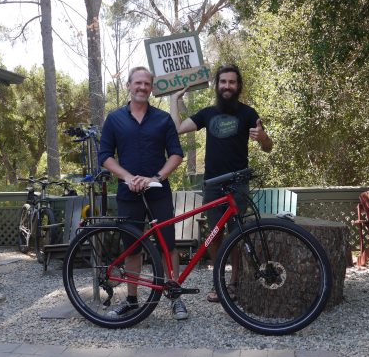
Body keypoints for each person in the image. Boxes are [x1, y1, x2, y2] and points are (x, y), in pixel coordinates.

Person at [170, 64, 273, 302]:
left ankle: (234, 283)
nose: (227, 86)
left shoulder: (248, 113)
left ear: (238, 86)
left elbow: (267, 148)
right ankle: (218, 283)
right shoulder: (207, 113)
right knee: (215, 236)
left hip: (238, 184)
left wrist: (264, 138)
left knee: (236, 234)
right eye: (223, 82)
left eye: (232, 82)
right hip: (213, 185)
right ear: (217, 86)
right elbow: (176, 129)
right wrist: (175, 101)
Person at [99, 66, 188, 320]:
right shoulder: (114, 119)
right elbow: (104, 156)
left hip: (158, 191)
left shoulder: (162, 119)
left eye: (146, 84)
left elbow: (176, 154)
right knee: (133, 248)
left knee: (167, 245)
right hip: (128, 193)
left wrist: (155, 178)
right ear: (128, 85)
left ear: (151, 88)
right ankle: (131, 300)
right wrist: (127, 177)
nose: (142, 87)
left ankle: (175, 297)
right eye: (137, 83)